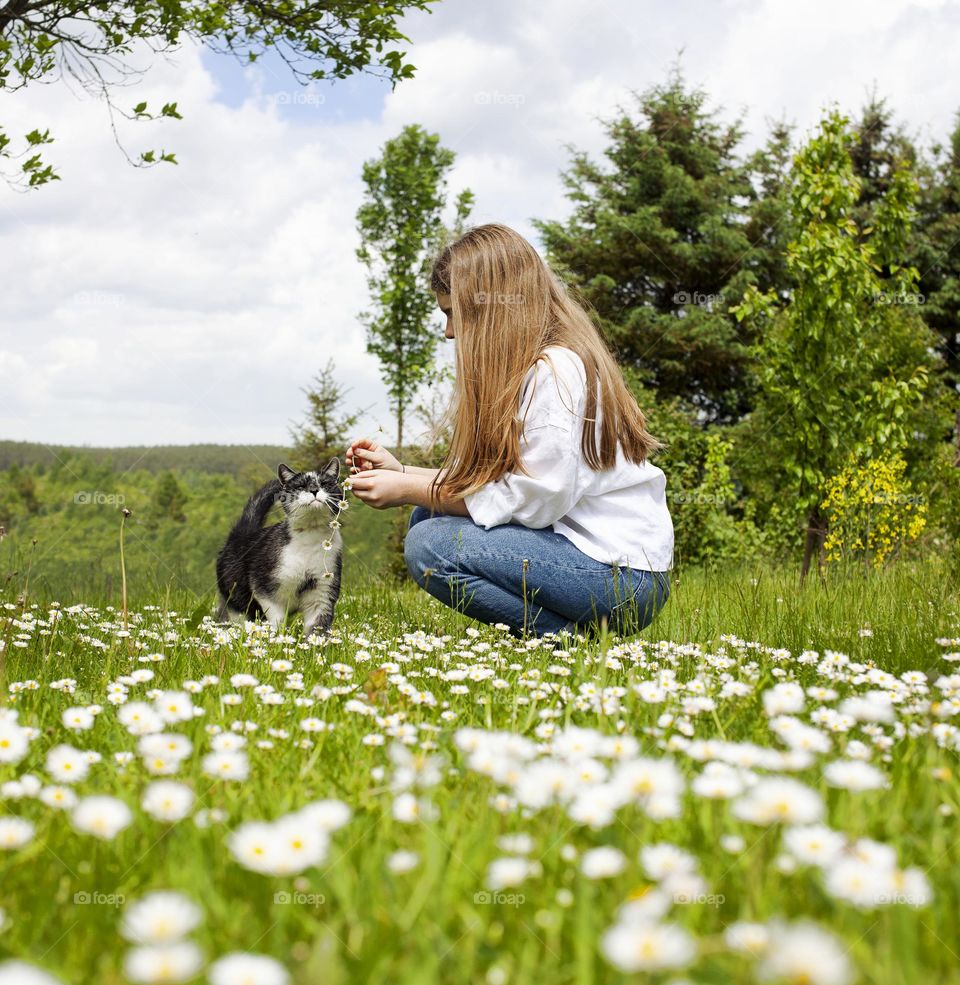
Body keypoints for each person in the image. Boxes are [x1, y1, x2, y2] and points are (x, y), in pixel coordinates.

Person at [346, 223, 673, 638]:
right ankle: (568, 634)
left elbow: (533, 501)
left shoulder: (556, 373)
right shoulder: (535, 369)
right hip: (596, 564)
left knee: (429, 545)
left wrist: (405, 488)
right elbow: (494, 486)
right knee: (425, 515)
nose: (448, 331)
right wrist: (403, 472)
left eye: (452, 313)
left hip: (623, 580)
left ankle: (565, 639)